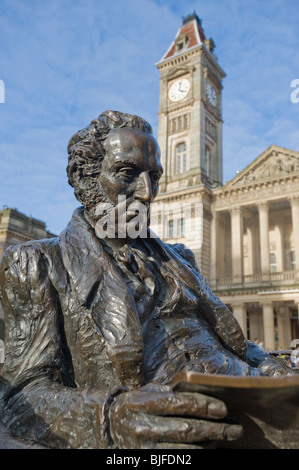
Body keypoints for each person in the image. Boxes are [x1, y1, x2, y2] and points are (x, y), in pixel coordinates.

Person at [0, 111, 295, 449]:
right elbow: (20, 397)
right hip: (183, 426)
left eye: (154, 176)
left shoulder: (180, 257)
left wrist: (270, 367)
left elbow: (232, 344)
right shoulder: (37, 261)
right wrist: (110, 417)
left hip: (255, 402)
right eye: (127, 173)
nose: (148, 193)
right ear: (85, 179)